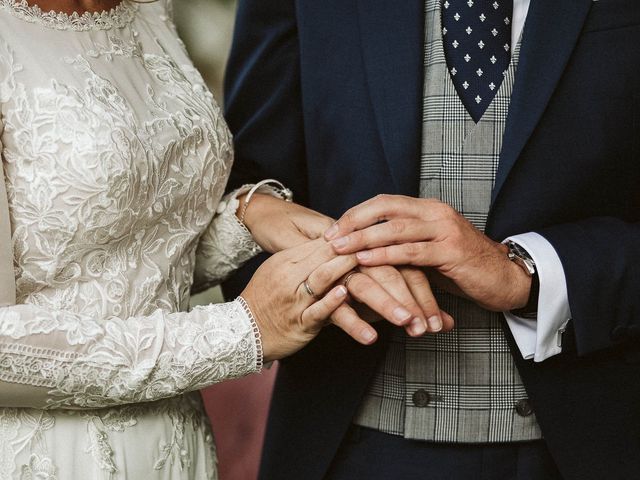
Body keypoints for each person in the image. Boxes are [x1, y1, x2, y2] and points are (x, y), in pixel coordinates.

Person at [0, 0, 436, 477]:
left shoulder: (147, 9)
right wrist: (243, 330)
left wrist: (251, 221)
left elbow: (132, 260)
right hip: (49, 456)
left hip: (175, 445)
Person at [223, 0, 640, 478]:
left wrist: (532, 273)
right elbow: (243, 200)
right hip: (351, 443)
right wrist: (326, 274)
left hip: (596, 439)